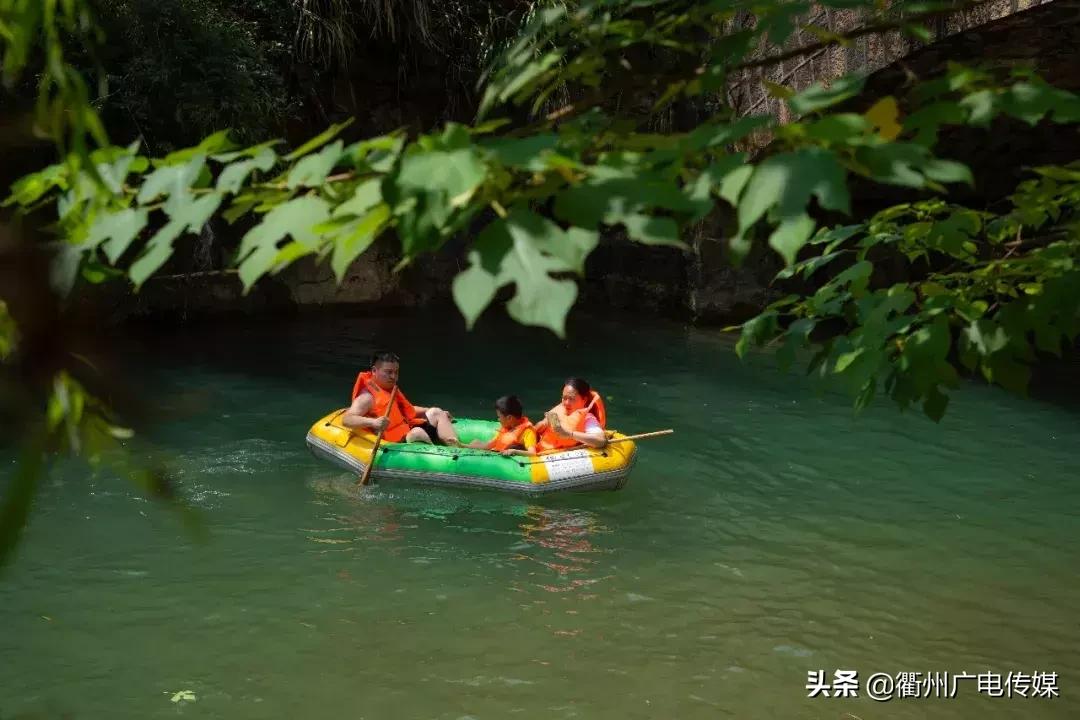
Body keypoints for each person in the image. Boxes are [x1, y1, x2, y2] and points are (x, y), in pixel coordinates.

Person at [342, 351, 461, 446]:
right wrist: (373, 422)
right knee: (417, 433)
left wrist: (426, 410)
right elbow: (347, 419)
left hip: (406, 430)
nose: (393, 376)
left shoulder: (389, 389)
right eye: (388, 372)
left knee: (436, 412)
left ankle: (456, 446)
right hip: (394, 443)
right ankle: (444, 458)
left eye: (396, 372)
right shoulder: (367, 397)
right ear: (374, 370)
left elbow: (404, 411)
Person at [534, 377, 607, 451]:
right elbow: (541, 426)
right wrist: (542, 425)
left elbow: (601, 441)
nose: (566, 403)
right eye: (564, 398)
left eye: (571, 399)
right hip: (541, 449)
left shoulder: (588, 418)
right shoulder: (558, 410)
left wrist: (570, 434)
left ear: (584, 400)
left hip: (559, 455)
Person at [465, 395, 538, 457]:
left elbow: (532, 453)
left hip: (510, 457)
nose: (498, 419)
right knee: (475, 442)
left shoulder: (528, 432)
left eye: (499, 417)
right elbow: (488, 446)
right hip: (496, 453)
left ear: (509, 418)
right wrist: (462, 446)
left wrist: (514, 451)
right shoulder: (507, 427)